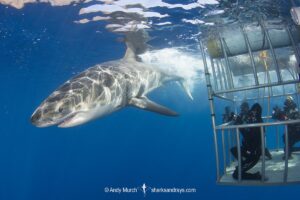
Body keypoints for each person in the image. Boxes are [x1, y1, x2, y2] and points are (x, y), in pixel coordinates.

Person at [231, 103, 266, 180]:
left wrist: (240, 124)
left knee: (236, 175)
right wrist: (235, 119)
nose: (252, 115)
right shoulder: (250, 120)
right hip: (247, 150)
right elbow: (244, 126)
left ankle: (257, 176)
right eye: (251, 113)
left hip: (253, 155)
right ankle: (243, 164)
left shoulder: (258, 123)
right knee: (233, 150)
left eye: (254, 113)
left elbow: (248, 135)